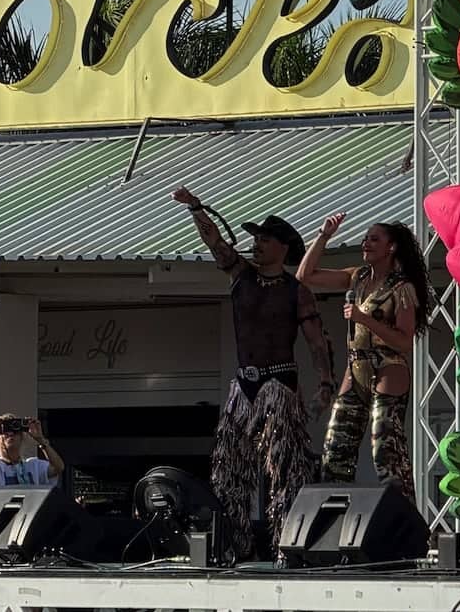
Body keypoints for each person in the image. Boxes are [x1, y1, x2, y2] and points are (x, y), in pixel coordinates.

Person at [173, 187, 337, 563]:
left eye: (264, 239)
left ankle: (288, 546)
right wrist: (196, 207)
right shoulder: (240, 274)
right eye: (256, 239)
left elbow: (316, 342)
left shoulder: (298, 292)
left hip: (279, 384)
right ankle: (233, 545)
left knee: (285, 471)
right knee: (229, 471)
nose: (257, 244)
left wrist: (325, 383)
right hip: (242, 387)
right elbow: (214, 241)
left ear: (283, 248)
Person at [298, 214, 431, 500]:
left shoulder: (402, 288)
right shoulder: (357, 277)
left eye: (374, 239)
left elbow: (405, 341)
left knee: (385, 450)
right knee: (336, 448)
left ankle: (403, 522)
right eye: (365, 238)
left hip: (388, 368)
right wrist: (324, 235)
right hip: (356, 367)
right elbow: (304, 277)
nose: (366, 243)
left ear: (391, 247)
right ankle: (335, 519)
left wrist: (364, 319)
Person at [0, 414, 64, 491]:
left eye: (15, 431)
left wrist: (40, 439)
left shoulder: (34, 466)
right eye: (5, 432)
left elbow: (58, 467)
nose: (11, 434)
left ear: (21, 437)